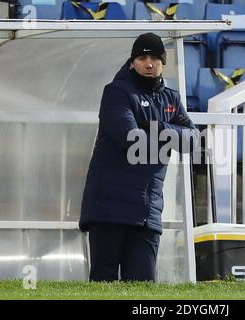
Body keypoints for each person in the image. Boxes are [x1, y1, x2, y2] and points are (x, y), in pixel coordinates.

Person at [79, 32, 197, 282]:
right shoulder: (116, 92)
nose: (149, 63)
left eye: (155, 57)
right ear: (132, 62)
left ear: (163, 64)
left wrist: (161, 128)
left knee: (142, 289)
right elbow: (130, 140)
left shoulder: (171, 99)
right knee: (104, 285)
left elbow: (194, 141)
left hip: (147, 212)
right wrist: (169, 134)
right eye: (143, 57)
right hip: (109, 208)